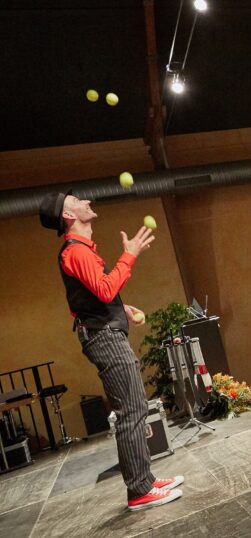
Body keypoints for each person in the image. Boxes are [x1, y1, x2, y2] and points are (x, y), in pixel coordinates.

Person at [39, 191, 183, 512]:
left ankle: (144, 479)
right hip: (104, 338)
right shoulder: (75, 252)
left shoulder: (82, 250)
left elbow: (96, 296)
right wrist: (129, 254)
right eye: (77, 201)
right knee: (132, 409)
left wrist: (122, 308)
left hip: (105, 330)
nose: (86, 202)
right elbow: (105, 287)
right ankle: (139, 491)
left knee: (135, 407)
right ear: (68, 216)